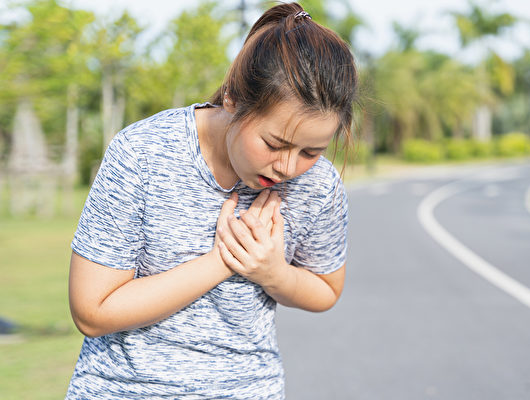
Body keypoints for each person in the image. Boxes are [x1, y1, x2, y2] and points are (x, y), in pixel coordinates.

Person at [66, 2, 357, 399]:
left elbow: (326, 289)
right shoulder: (142, 153)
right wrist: (224, 260)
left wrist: (273, 273)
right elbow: (92, 311)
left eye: (311, 151)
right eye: (274, 144)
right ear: (233, 99)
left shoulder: (318, 185)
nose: (288, 167)